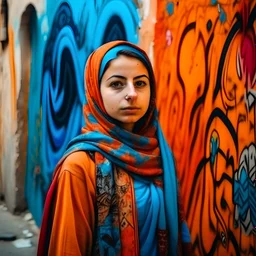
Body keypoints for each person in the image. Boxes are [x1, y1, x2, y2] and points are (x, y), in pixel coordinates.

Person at [37, 40, 192, 256]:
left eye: (140, 83)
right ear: (95, 92)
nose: (132, 93)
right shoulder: (80, 166)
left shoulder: (158, 155)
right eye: (117, 84)